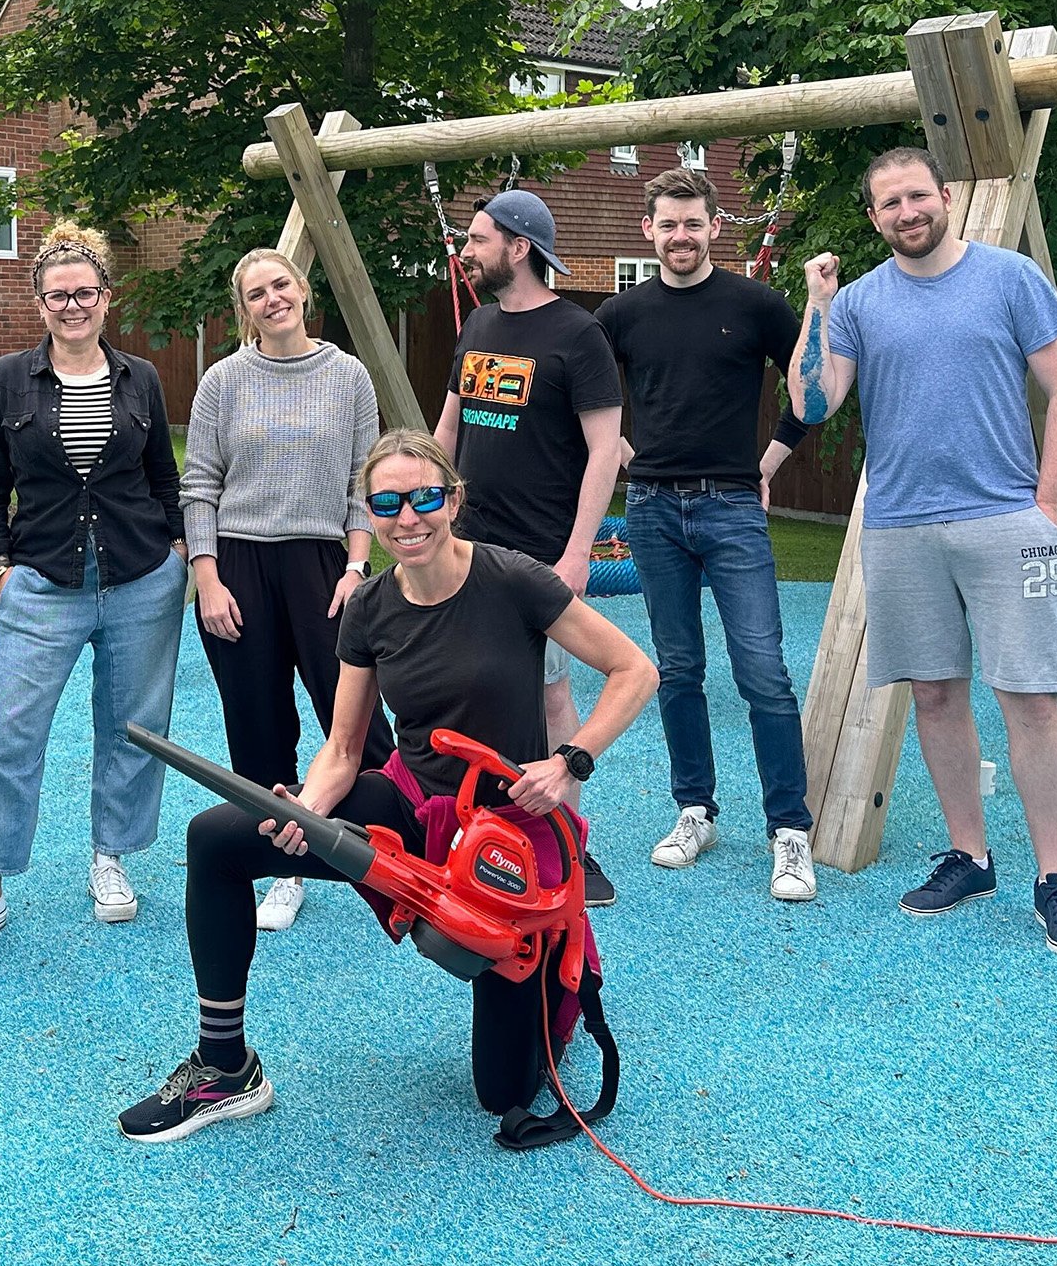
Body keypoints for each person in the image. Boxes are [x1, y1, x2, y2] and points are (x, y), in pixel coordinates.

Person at [117, 430, 657, 1145]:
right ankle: (225, 1066)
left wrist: (569, 762)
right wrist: (305, 813)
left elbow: (634, 671)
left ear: (454, 500)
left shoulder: (513, 579)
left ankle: (551, 994)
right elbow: (343, 749)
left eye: (426, 498)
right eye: (388, 503)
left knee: (505, 1088)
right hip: (414, 806)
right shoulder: (369, 607)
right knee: (216, 839)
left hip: (509, 835)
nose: (409, 518)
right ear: (369, 513)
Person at [786, 146, 1057, 957]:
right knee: (933, 694)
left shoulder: (1009, 278)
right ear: (873, 218)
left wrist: (1048, 508)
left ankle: (1056, 877)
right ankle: (971, 855)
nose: (906, 212)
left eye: (916, 196)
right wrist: (816, 304)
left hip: (1004, 519)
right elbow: (814, 404)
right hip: (899, 524)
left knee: (1030, 697)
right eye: (888, 204)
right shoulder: (855, 301)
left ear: (946, 196)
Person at [0, 222, 189, 957]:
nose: (71, 305)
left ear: (107, 297)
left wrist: (177, 550)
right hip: (44, 577)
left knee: (132, 727)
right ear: (39, 303)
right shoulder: (11, 378)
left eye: (84, 292)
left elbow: (162, 476)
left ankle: (111, 857)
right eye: (57, 295)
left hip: (141, 578)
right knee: (9, 731)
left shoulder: (139, 376)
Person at [597, 166, 818, 901]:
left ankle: (789, 829)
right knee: (677, 667)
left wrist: (771, 461)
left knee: (763, 671)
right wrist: (628, 457)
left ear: (717, 227)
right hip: (653, 508)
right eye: (669, 224)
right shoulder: (622, 315)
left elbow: (814, 388)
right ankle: (695, 809)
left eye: (695, 223)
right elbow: (582, 396)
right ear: (648, 231)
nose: (681, 236)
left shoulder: (755, 303)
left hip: (731, 506)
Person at [179, 246, 395, 934]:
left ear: (302, 289)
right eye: (255, 294)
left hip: (322, 564)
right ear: (243, 311)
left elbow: (368, 477)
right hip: (237, 565)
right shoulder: (223, 381)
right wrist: (206, 577)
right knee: (257, 720)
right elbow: (201, 483)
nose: (271, 299)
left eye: (280, 285)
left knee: (355, 715)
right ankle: (283, 863)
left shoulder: (349, 375)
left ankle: (392, 843)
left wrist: (357, 568)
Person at [433, 188, 624, 907]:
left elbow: (605, 451)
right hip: (466, 545)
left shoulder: (578, 334)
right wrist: (431, 507)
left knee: (548, 694)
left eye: (478, 239)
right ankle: (478, 832)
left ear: (518, 247)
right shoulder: (478, 322)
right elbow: (448, 425)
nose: (468, 251)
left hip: (543, 547)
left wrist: (579, 552)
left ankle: (572, 843)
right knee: (469, 684)